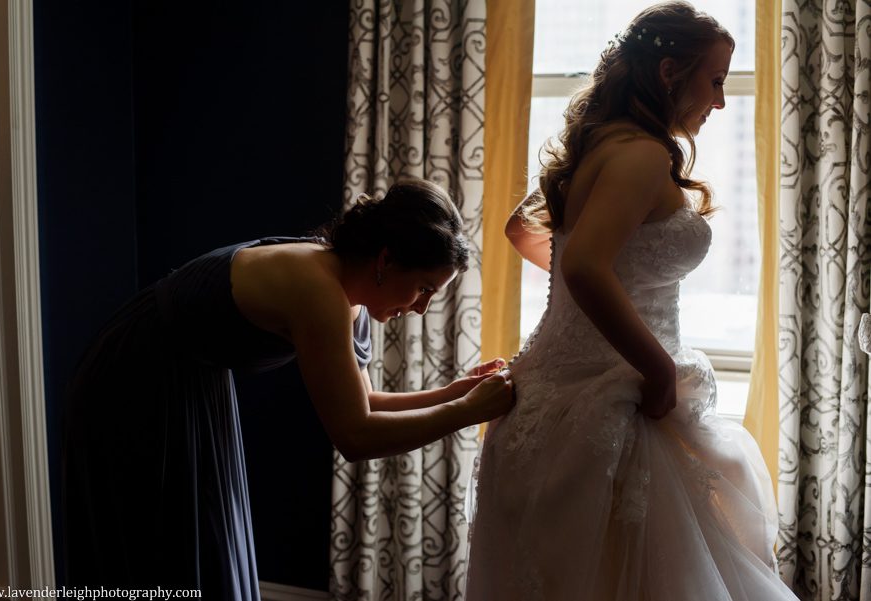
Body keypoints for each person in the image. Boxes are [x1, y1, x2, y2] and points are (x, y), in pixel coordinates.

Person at [465, 3, 797, 599]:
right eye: (715, 81)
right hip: (612, 404)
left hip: (548, 392)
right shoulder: (641, 155)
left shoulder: (600, 144)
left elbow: (528, 232)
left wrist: (610, 289)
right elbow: (585, 267)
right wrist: (658, 366)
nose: (720, 102)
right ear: (670, 72)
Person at [61, 177, 514, 600]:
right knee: (153, 542)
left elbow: (365, 402)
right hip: (137, 378)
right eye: (423, 288)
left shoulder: (350, 298)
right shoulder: (316, 289)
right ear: (385, 261)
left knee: (196, 539)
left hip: (193, 378)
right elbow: (355, 436)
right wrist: (468, 413)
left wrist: (454, 391)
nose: (421, 307)